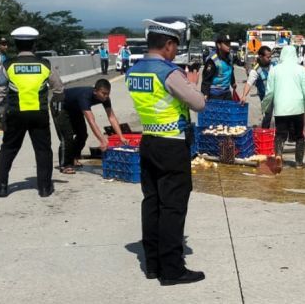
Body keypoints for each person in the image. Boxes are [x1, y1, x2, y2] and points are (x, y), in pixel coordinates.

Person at [126, 19, 207, 286]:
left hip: (148, 141)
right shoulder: (169, 72)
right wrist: (192, 82)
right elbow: (198, 104)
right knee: (173, 207)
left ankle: (153, 264)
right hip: (172, 144)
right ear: (168, 44)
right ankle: (172, 269)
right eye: (175, 46)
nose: (175, 52)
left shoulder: (135, 71)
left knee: (152, 203)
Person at [0, 26, 64, 198]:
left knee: (8, 148)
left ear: (16, 44)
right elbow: (58, 89)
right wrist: (56, 109)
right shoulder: (45, 64)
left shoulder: (9, 65)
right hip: (39, 114)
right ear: (34, 44)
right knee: (43, 150)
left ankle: (1, 186)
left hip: (15, 114)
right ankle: (44, 188)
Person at [53, 79, 129, 174]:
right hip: (60, 105)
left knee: (82, 135)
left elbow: (111, 117)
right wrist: (102, 140)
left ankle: (74, 158)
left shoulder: (105, 98)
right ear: (95, 91)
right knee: (67, 137)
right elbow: (91, 121)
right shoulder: (85, 96)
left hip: (75, 108)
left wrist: (121, 136)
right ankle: (64, 164)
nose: (106, 96)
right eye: (103, 93)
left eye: (108, 94)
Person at [261, 45, 305, 169]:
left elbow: (269, 93)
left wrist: (264, 107)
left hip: (281, 109)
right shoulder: (301, 70)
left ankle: (279, 156)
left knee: (280, 135)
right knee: (299, 136)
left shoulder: (274, 70)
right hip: (297, 109)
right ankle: (299, 163)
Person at [241, 45, 274, 128]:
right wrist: (244, 96)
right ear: (261, 57)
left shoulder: (274, 65)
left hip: (277, 95)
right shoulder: (255, 70)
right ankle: (265, 133)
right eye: (268, 57)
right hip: (266, 98)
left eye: (270, 57)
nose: (270, 59)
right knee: (267, 117)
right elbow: (249, 83)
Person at [201, 35, 236, 100]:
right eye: (226, 44)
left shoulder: (229, 58)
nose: (229, 46)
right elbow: (206, 79)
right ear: (219, 45)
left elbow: (230, 71)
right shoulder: (212, 60)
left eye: (229, 43)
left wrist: (233, 82)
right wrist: (205, 94)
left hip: (227, 93)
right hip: (215, 94)